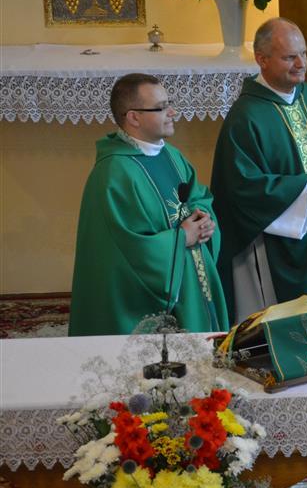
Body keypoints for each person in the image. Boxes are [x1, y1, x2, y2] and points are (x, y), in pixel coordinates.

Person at [212, 18, 307, 321]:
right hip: (281, 240)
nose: (301, 64)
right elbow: (240, 185)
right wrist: (306, 187)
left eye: (303, 54)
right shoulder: (246, 116)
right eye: (290, 57)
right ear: (262, 59)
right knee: (293, 318)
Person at [69, 74, 227, 336]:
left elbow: (197, 195)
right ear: (134, 117)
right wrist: (182, 238)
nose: (172, 112)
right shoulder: (115, 173)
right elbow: (125, 250)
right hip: (150, 301)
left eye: (169, 104)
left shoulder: (171, 154)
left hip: (191, 278)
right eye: (162, 107)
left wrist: (205, 218)